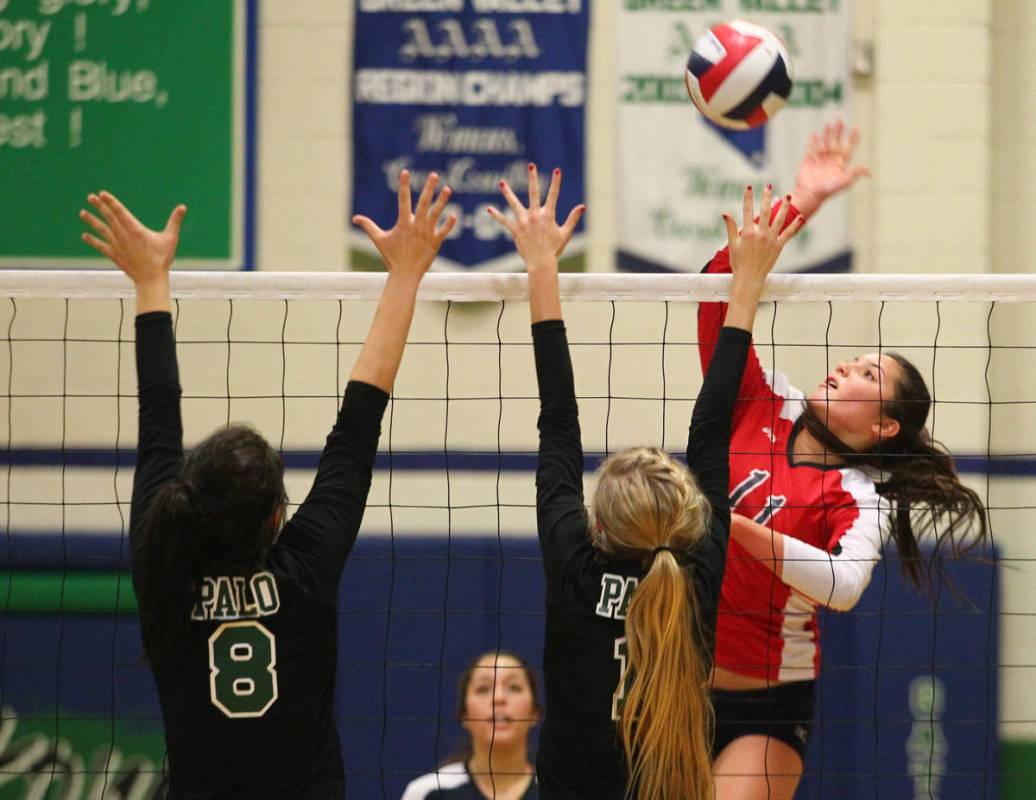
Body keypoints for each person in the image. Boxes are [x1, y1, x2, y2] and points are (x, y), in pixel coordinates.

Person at [79, 171, 456, 799]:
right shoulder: (300, 574)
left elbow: (157, 423)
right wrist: (406, 275)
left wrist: (150, 280)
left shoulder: (163, 571)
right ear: (275, 521)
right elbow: (359, 420)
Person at [489, 163, 802, 798]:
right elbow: (710, 430)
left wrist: (540, 269)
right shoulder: (690, 580)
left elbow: (560, 421)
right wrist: (746, 286)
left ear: (597, 525)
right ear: (686, 520)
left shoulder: (596, 570)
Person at [700, 122, 988, 800]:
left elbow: (843, 585)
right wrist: (803, 199)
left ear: (885, 424)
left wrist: (723, 522)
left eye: (865, 374)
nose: (844, 368)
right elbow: (720, 288)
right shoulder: (759, 401)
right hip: (673, 682)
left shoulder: (861, 496)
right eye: (851, 360)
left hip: (766, 705)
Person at [401, 650, 541, 800]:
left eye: (514, 687)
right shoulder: (428, 792)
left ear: (535, 712)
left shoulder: (560, 790)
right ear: (464, 714)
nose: (498, 698)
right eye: (483, 689)